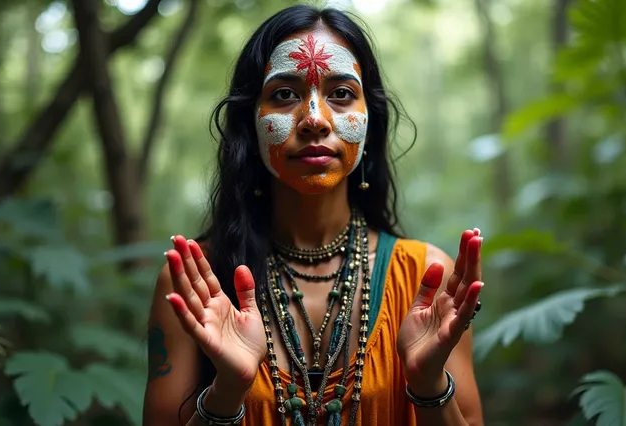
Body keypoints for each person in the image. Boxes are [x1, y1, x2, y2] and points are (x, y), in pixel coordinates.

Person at [142, 4, 484, 426]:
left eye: (341, 94)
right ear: (250, 122)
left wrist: (428, 383)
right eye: (284, 94)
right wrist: (227, 390)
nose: (315, 120)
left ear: (369, 122)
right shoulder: (195, 284)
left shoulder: (425, 279)